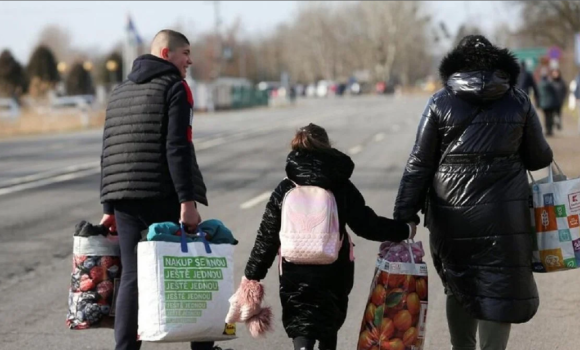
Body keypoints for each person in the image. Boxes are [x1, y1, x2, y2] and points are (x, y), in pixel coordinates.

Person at [393, 35, 553, 350]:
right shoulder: (518, 100)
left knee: (459, 284)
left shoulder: (439, 102)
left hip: (452, 214)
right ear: (500, 64)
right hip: (505, 215)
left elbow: (419, 164)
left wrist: (404, 216)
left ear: (456, 65)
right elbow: (539, 158)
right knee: (499, 285)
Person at [242, 123, 416, 350]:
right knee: (328, 322)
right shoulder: (341, 186)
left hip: (295, 268)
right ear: (326, 146)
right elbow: (367, 225)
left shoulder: (285, 188)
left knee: (301, 321)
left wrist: (252, 275)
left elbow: (267, 236)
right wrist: (405, 230)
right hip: (334, 268)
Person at [98, 29, 218, 350]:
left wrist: (109, 205)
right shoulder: (176, 87)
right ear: (167, 55)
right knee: (191, 266)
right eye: (185, 53)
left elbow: (109, 149)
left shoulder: (120, 91)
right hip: (161, 193)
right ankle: (202, 346)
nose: (189, 60)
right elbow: (177, 147)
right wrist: (187, 201)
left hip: (123, 197)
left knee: (131, 277)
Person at [538, 67, 560, 136]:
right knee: (550, 117)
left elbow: (538, 94)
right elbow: (554, 92)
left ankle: (547, 129)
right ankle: (550, 130)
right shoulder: (549, 84)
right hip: (550, 103)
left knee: (546, 117)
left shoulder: (540, 84)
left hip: (543, 103)